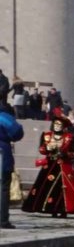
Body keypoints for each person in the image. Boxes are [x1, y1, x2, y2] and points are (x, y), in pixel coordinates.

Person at [20, 104, 74, 216]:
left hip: (64, 165)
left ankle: (63, 209)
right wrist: (47, 148)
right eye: (56, 124)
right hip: (49, 166)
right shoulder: (47, 136)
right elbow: (42, 149)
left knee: (63, 189)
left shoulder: (70, 137)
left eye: (60, 124)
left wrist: (65, 154)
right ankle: (50, 208)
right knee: (47, 187)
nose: (57, 126)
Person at [0, 76, 20, 227]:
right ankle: (2, 219)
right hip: (2, 153)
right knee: (3, 187)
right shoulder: (4, 116)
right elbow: (17, 132)